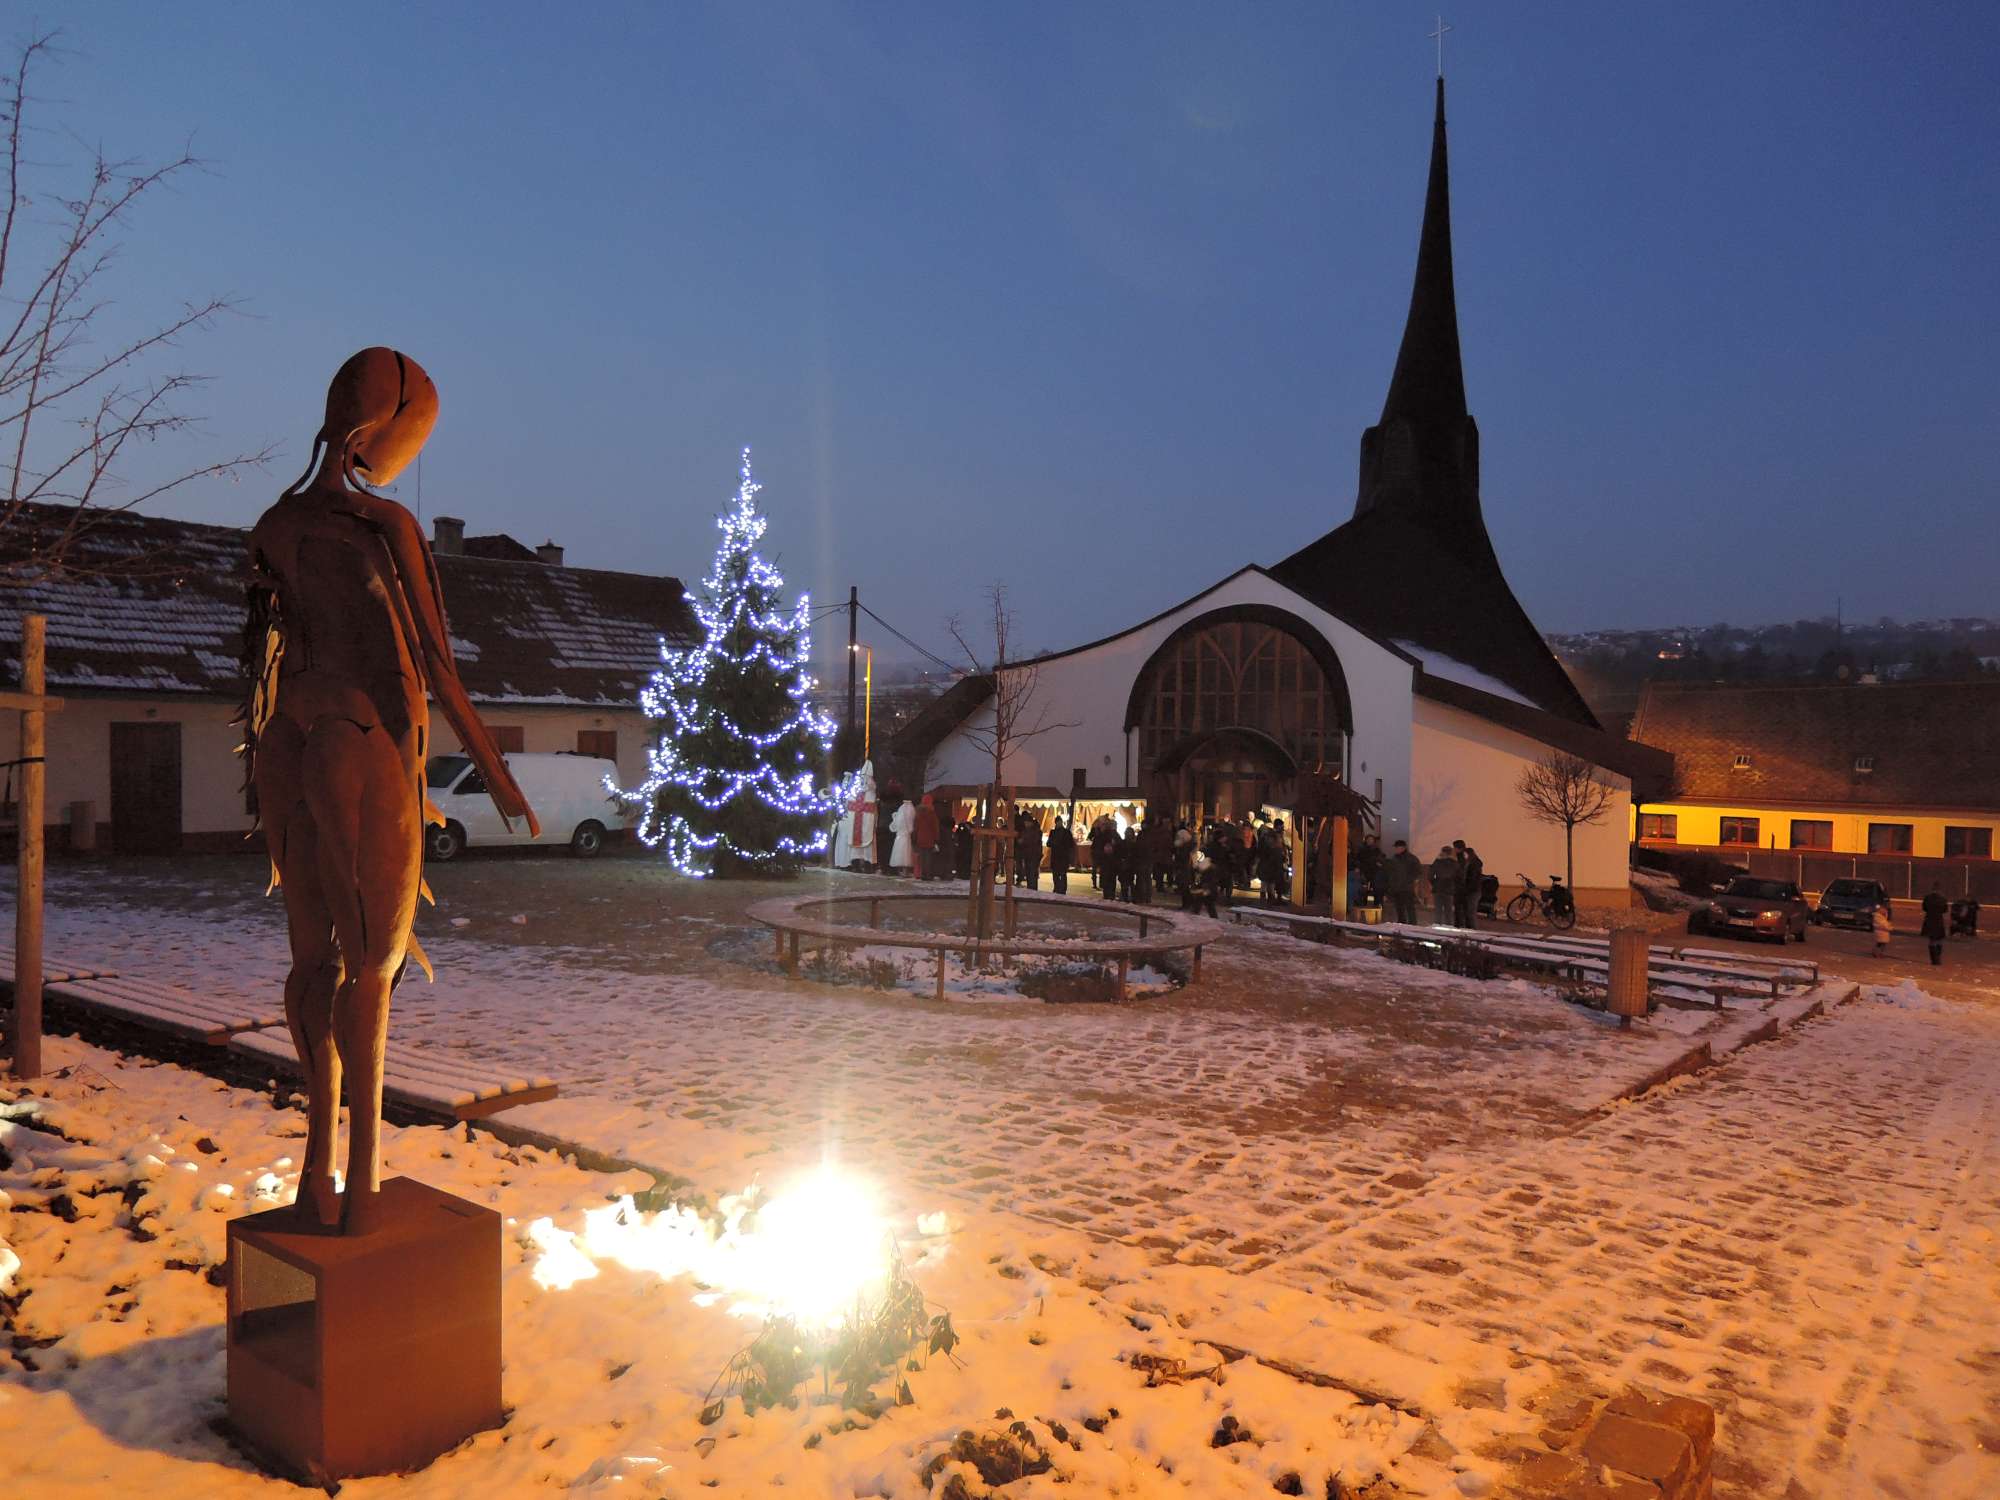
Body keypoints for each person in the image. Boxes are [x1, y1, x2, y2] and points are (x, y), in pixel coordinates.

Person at [1382, 838, 1422, 924]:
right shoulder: (1394, 859)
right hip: (1396, 888)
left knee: (1409, 907)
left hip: (1407, 888)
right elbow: (1390, 873)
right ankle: (1401, 923)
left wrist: (1409, 881)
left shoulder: (1411, 858)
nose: (1396, 849)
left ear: (1403, 848)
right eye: (1395, 848)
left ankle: (1412, 924)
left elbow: (1417, 872)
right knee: (1399, 908)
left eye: (1397, 847)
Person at [1427, 845, 1461, 926]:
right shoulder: (1455, 864)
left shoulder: (1437, 862)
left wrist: (1434, 883)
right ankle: (1449, 926)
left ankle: (1437, 925)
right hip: (1449, 889)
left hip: (1438, 888)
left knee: (1438, 909)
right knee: (1448, 910)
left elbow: (1430, 875)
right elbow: (1459, 877)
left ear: (1442, 852)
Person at [1455, 841, 1484, 928]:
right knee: (1467, 911)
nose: (1464, 856)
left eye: (1465, 854)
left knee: (1470, 912)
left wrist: (1466, 888)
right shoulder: (1469, 863)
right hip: (1469, 890)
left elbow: (1472, 879)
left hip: (1472, 891)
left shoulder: (1474, 864)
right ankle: (1469, 928)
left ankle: (1472, 929)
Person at [1046, 817, 1075, 896]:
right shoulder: (1053, 832)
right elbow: (1048, 843)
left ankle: (1062, 889)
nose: (1059, 823)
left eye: (1060, 822)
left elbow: (1070, 844)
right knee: (1056, 874)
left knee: (1062, 874)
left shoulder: (1066, 832)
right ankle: (1058, 888)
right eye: (1058, 822)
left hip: (1062, 856)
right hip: (1057, 856)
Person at [913, 795, 940, 881]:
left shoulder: (918, 813)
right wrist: (936, 838)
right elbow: (935, 827)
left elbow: (915, 827)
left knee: (922, 857)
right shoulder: (932, 813)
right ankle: (928, 875)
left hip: (920, 837)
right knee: (929, 857)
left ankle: (923, 874)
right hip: (930, 838)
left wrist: (915, 837)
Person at [888, 796, 916, 875]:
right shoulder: (911, 809)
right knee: (906, 853)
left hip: (899, 836)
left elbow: (896, 825)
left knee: (899, 853)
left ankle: (900, 870)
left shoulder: (901, 809)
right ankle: (905, 871)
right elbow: (911, 823)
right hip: (906, 835)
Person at [1921, 882, 1948, 966]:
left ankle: (1934, 959)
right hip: (1938, 920)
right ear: (1939, 889)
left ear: (1932, 889)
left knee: (1931, 940)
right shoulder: (1943, 899)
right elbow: (1945, 910)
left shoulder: (1927, 898)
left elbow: (1924, 908)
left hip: (1929, 919)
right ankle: (1938, 958)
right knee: (1939, 940)